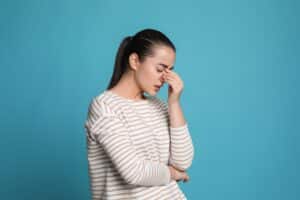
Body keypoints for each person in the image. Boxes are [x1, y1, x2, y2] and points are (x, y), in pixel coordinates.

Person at [84, 28, 194, 199]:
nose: (165, 78)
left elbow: (183, 161)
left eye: (169, 71)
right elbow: (133, 171)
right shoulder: (105, 107)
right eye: (160, 69)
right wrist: (172, 174)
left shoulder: (158, 105)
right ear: (135, 61)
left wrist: (173, 102)